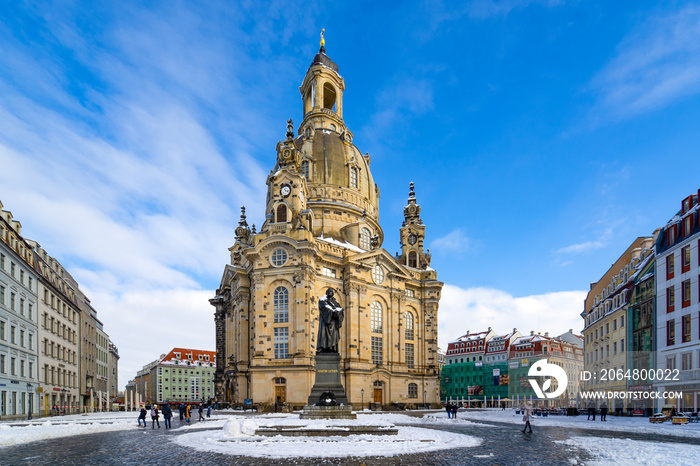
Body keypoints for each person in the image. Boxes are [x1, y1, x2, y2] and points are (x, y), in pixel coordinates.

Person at [317, 288, 344, 353]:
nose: (329, 292)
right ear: (326, 293)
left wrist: (338, 314)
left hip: (333, 323)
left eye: (331, 291)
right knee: (323, 334)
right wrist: (333, 312)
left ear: (333, 293)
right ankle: (322, 347)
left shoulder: (336, 302)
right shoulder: (323, 300)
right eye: (328, 291)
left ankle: (332, 347)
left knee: (334, 336)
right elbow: (323, 308)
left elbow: (340, 312)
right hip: (325, 321)